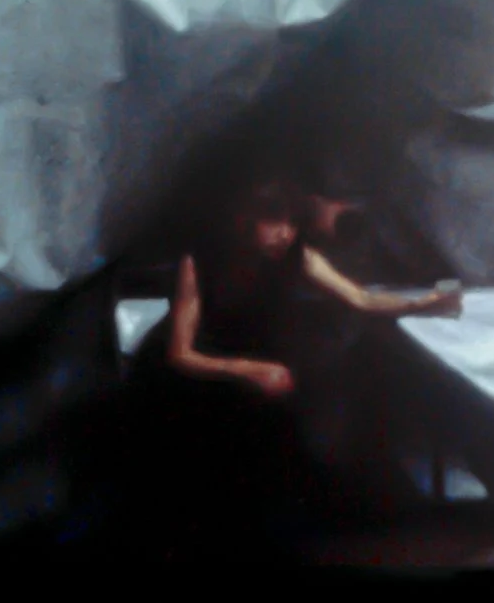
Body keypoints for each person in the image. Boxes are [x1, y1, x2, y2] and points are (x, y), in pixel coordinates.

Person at [122, 177, 461, 550]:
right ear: (245, 220)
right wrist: (253, 370)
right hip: (194, 372)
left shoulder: (297, 256)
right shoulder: (199, 262)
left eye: (292, 223)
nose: (285, 233)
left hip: (247, 367)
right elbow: (180, 354)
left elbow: (361, 299)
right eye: (275, 221)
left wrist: (423, 304)